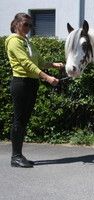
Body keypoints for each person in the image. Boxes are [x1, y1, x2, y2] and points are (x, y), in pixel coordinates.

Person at [5, 13, 64, 168]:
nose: (28, 28)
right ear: (16, 24)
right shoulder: (13, 41)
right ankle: (15, 157)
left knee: (24, 120)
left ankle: (18, 155)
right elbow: (26, 63)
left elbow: (38, 62)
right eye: (25, 24)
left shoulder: (27, 42)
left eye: (30, 25)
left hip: (31, 83)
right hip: (21, 83)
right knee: (19, 120)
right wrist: (47, 78)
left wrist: (53, 65)